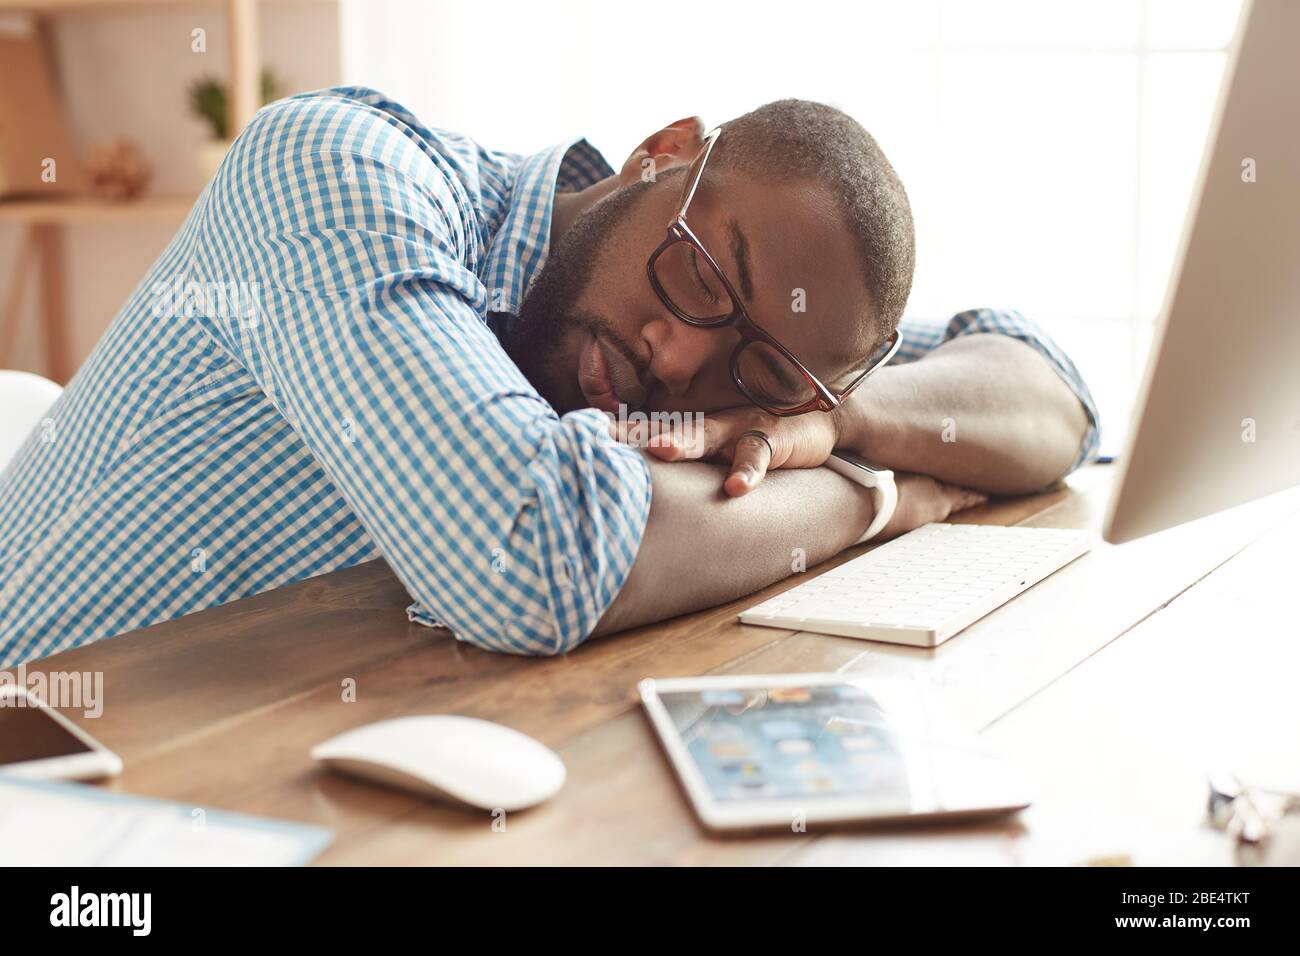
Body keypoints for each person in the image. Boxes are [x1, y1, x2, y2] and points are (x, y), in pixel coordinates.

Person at [0, 89, 1098, 666]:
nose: (677, 354)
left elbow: (1052, 395)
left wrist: (836, 413)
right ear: (661, 152)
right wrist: (875, 493)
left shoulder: (783, 363)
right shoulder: (336, 171)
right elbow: (526, 553)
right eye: (700, 273)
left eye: (751, 370)